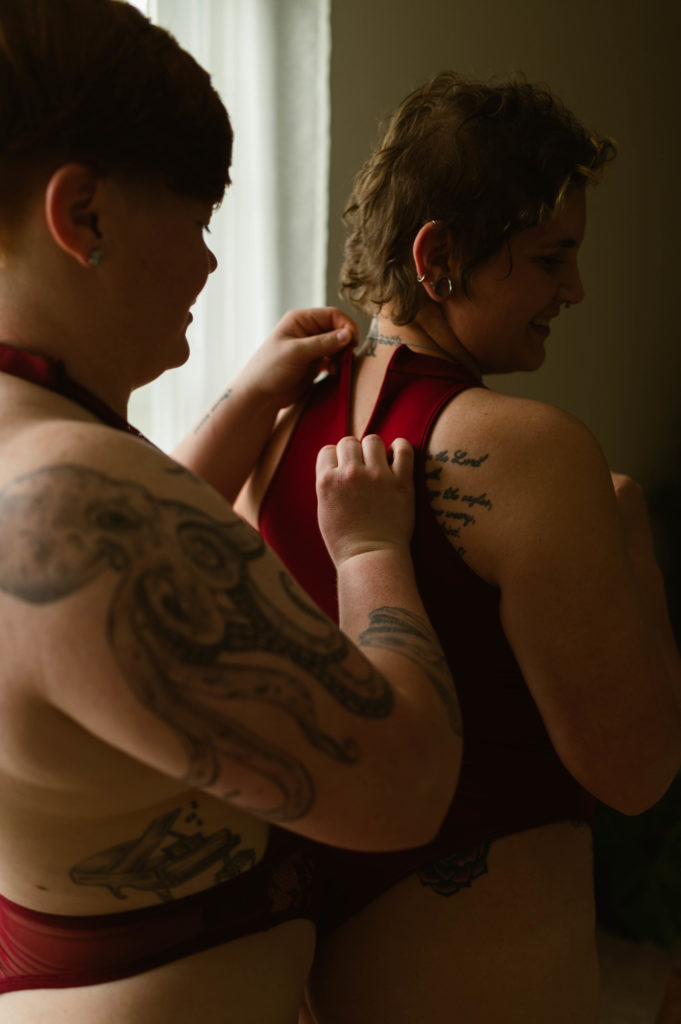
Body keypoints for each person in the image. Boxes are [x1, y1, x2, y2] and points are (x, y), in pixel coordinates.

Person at [0, 5, 463, 1022]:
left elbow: (102, 606)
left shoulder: (40, 470)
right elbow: (408, 780)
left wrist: (246, 402)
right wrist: (374, 550)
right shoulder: (69, 496)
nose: (211, 263)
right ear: (84, 217)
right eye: (197, 215)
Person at [234, 72, 681, 1023]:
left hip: (314, 967)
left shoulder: (275, 431)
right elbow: (638, 771)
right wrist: (630, 535)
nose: (575, 288)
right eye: (550, 257)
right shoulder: (528, 451)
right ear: (438, 257)